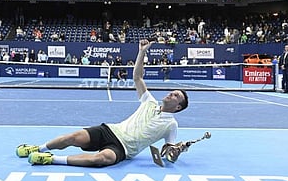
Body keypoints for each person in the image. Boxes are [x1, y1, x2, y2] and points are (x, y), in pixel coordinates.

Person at [16, 39, 189, 167]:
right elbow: (137, 77)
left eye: (175, 96)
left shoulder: (171, 125)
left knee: (100, 159)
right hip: (111, 130)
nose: (170, 94)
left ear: (178, 106)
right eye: (172, 92)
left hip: (123, 149)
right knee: (72, 137)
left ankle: (50, 159)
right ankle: (38, 148)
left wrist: (177, 150)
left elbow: (168, 153)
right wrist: (142, 52)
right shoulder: (149, 102)